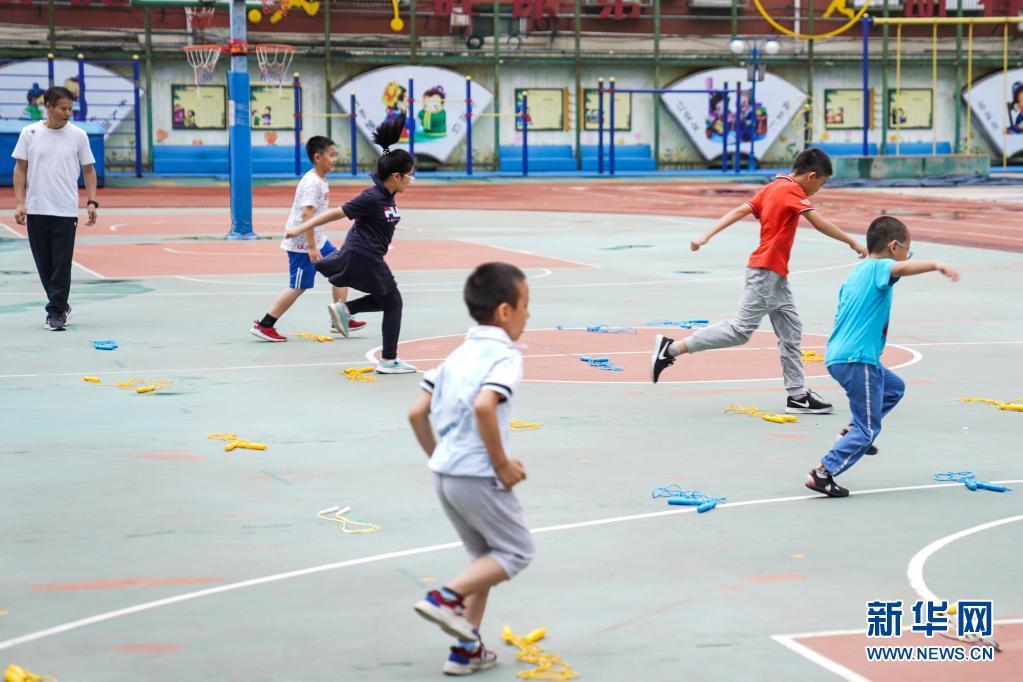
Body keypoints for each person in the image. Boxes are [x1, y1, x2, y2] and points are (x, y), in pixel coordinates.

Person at [650, 148, 868, 414]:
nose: (818, 190)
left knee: (791, 329)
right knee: (741, 330)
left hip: (775, 275)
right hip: (766, 271)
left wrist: (706, 235)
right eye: (820, 184)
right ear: (811, 176)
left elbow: (738, 211)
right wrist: (852, 241)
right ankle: (670, 349)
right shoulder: (792, 191)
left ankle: (797, 396)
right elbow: (818, 222)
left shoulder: (773, 186)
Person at [408, 262, 534, 676]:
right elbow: (485, 405)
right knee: (515, 552)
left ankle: (466, 651)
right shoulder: (504, 357)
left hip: (444, 474)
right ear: (504, 312)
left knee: (484, 558)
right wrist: (500, 464)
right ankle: (443, 599)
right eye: (525, 306)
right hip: (478, 474)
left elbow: (416, 413)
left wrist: (439, 457)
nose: (527, 316)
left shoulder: (456, 354)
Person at [806, 217, 959, 497]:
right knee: (868, 430)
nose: (906, 255)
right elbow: (899, 267)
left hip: (844, 356)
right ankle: (823, 472)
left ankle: (850, 432)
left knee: (893, 388)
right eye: (907, 249)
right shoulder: (880, 267)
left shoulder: (857, 272)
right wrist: (935, 265)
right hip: (857, 359)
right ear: (893, 246)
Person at [285, 115, 416, 373]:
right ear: (397, 176)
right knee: (394, 303)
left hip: (369, 256)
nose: (412, 180)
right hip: (362, 255)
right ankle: (389, 360)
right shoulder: (372, 196)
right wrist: (300, 228)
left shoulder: (388, 195)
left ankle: (345, 309)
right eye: (411, 176)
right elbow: (335, 213)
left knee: (386, 300)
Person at [250, 135, 364, 342]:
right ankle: (265, 325)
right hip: (302, 244)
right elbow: (307, 215)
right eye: (331, 155)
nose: (335, 159)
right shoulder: (312, 182)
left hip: (318, 239)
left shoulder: (320, 179)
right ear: (317, 157)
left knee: (342, 267)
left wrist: (316, 242)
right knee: (298, 285)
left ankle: (340, 317)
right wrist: (312, 247)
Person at [12, 86, 98, 331]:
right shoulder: (29, 133)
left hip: (65, 210)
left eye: (71, 108)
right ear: (47, 107)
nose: (68, 113)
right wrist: (20, 202)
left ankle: (56, 312)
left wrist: (91, 201)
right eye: (63, 108)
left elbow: (89, 170)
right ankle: (60, 303)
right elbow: (20, 169)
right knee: (45, 264)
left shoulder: (78, 135)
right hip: (37, 208)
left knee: (62, 262)